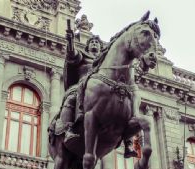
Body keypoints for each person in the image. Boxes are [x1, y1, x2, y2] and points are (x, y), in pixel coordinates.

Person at [59, 26, 138, 158]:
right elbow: (72, 56)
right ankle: (68, 129)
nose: (94, 44)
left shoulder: (107, 62)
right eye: (92, 42)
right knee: (71, 99)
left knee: (126, 104)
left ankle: (128, 141)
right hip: (81, 87)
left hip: (102, 93)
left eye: (97, 42)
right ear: (88, 46)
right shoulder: (84, 56)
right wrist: (70, 41)